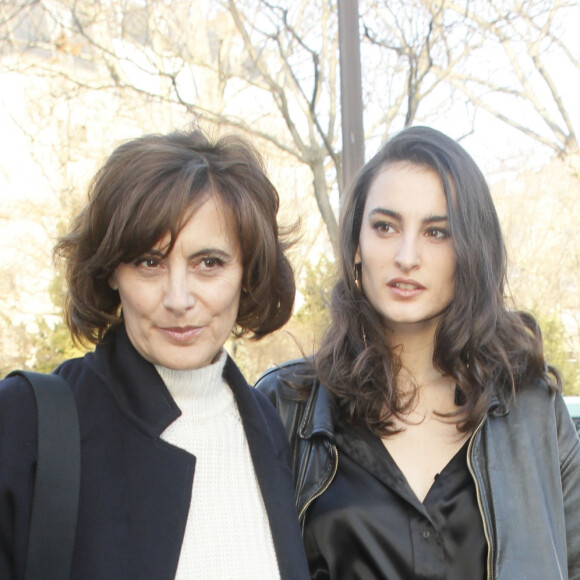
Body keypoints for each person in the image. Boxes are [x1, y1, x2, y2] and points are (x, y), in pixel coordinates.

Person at [257, 126, 580, 579]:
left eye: (436, 232)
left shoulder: (532, 414)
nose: (407, 256)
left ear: (470, 251)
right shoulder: (287, 406)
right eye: (385, 227)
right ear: (356, 246)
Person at [0, 128, 310, 579]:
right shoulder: (28, 419)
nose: (179, 298)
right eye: (150, 262)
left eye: (210, 263)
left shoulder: (270, 423)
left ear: (248, 272)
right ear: (111, 272)